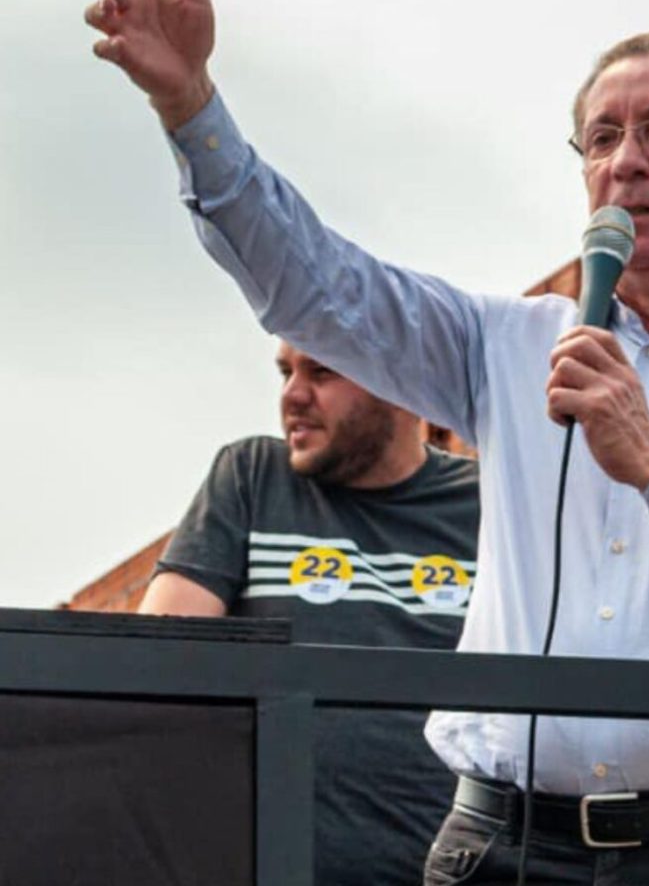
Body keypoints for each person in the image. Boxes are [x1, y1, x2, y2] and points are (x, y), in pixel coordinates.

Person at [86, 0, 649, 885]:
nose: (626, 163)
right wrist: (190, 106)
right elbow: (315, 283)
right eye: (601, 139)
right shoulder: (505, 344)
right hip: (504, 847)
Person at [140, 340, 481, 886]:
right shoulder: (252, 478)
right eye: (286, 372)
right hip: (272, 868)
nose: (292, 396)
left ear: (403, 382)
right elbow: (150, 671)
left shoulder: (488, 508)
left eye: (321, 372)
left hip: (450, 872)